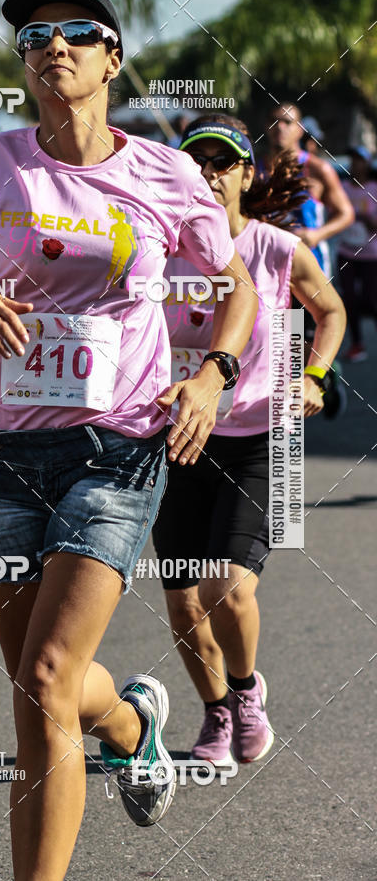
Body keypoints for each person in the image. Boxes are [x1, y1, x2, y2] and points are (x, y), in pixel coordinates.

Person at [0, 0, 258, 877]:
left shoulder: (165, 173)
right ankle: (135, 722)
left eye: (78, 32)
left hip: (119, 448)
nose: (53, 45)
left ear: (112, 59)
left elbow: (236, 288)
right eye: (35, 35)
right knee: (47, 689)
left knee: (43, 679)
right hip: (3, 454)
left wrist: (213, 376)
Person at [153, 114, 346, 766]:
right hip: (179, 440)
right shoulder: (160, 249)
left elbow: (331, 311)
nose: (208, 173)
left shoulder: (276, 248)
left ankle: (245, 690)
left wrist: (315, 376)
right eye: (197, 161)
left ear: (246, 174)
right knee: (184, 601)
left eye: (223, 162)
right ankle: (215, 710)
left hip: (260, 437)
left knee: (226, 589)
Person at [264, 103, 354, 277]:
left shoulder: (317, 169)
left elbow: (346, 213)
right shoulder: (254, 170)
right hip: (267, 266)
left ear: (299, 130)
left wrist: (317, 235)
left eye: (287, 122)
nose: (279, 127)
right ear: (266, 127)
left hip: (310, 267)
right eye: (274, 121)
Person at [338, 145, 377, 361]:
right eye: (353, 159)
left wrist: (361, 217)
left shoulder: (374, 188)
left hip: (371, 254)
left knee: (371, 300)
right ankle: (357, 344)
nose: (355, 164)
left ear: (368, 163)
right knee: (349, 300)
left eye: (360, 160)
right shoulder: (342, 187)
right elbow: (333, 215)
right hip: (346, 253)